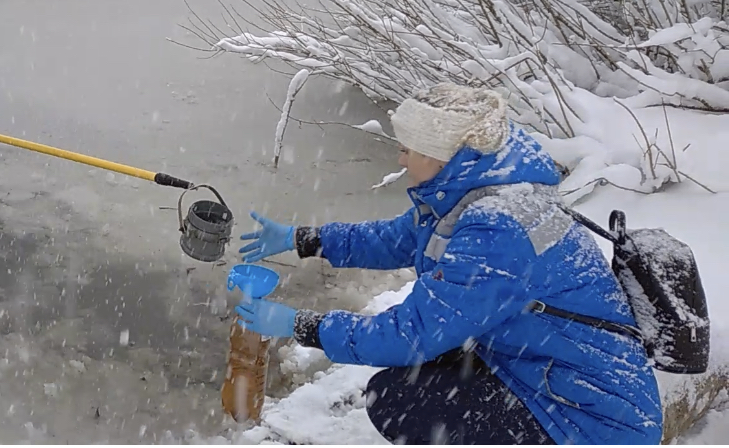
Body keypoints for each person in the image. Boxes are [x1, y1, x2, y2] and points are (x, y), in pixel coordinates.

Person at [234, 83, 663, 445]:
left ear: (441, 156)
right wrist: (303, 240)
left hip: (588, 421)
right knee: (427, 366)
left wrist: (301, 325)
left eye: (408, 150)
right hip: (553, 372)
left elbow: (410, 334)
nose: (400, 160)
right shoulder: (481, 186)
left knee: (398, 399)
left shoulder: (496, 229)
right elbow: (397, 239)